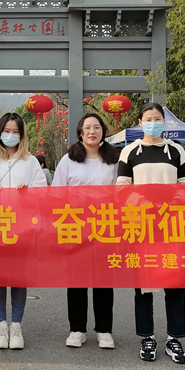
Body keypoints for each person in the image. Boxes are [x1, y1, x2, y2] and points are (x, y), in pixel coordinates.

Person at [116, 102, 185, 364]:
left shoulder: (176, 150)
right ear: (140, 123)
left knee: (175, 282)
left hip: (172, 224)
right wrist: (142, 203)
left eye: (157, 118)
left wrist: (176, 202)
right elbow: (121, 187)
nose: (153, 123)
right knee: (144, 285)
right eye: (148, 119)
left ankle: (174, 338)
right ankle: (147, 337)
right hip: (142, 225)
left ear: (164, 121)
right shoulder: (129, 151)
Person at [53, 113, 118, 349]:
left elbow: (121, 192)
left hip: (105, 226)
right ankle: (77, 329)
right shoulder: (69, 160)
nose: (92, 131)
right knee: (76, 280)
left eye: (97, 127)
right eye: (87, 127)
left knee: (104, 280)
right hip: (75, 226)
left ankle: (104, 330)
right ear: (80, 132)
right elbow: (57, 193)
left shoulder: (114, 160)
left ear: (103, 131)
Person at [0, 113, 47, 350]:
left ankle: (16, 325)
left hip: (22, 227)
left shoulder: (30, 162)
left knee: (19, 277)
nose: (11, 135)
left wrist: (28, 191)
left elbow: (42, 191)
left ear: (22, 135)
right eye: (7, 131)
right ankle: (1, 324)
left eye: (15, 132)